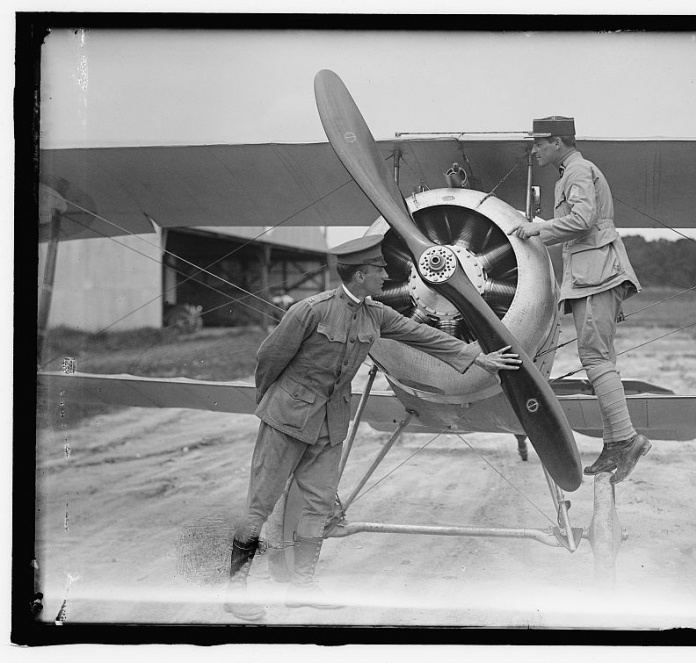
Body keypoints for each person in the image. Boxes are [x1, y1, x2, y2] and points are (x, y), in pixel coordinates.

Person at [224, 234, 521, 621]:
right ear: (361, 274)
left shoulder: (374, 314)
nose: (386, 275)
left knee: (318, 505)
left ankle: (301, 587)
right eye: (380, 270)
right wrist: (272, 406)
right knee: (260, 505)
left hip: (330, 425)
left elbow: (424, 336)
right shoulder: (310, 310)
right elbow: (269, 358)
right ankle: (235, 591)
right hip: (286, 419)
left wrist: (477, 358)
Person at [507, 116, 651, 485]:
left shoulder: (577, 171)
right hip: (592, 276)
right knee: (600, 359)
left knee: (596, 359)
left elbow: (584, 219)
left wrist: (538, 228)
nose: (534, 150)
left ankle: (626, 440)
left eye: (539, 143)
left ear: (557, 142)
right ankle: (614, 443)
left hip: (597, 277)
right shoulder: (571, 171)